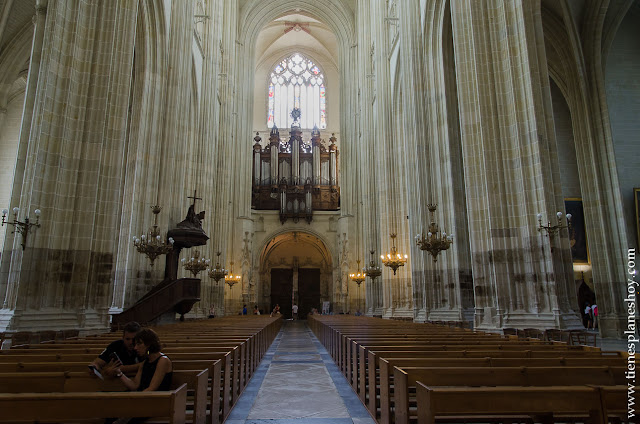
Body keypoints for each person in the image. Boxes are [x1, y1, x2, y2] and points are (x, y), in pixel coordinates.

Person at [109, 329, 173, 424]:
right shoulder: (145, 362)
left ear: (149, 344)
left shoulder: (163, 360)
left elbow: (152, 388)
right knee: (110, 413)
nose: (135, 348)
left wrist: (132, 400)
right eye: (135, 344)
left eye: (139, 344)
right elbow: (134, 385)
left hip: (155, 401)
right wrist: (119, 373)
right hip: (142, 398)